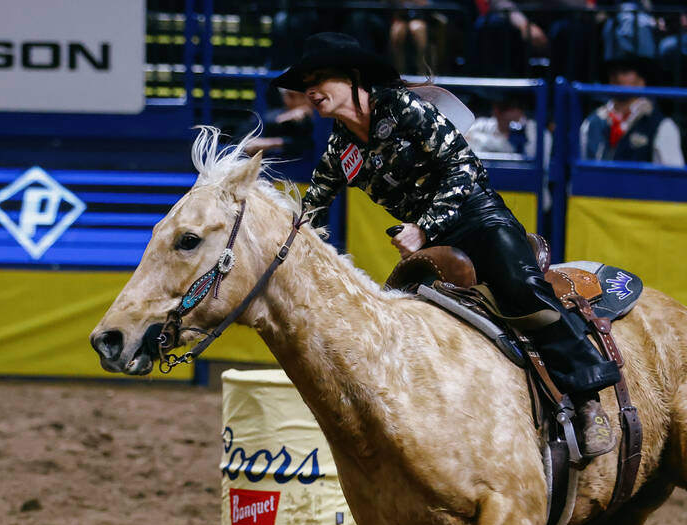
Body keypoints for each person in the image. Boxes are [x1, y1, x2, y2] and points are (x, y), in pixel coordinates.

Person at [271, 32, 620, 458]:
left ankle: (589, 400)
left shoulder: (401, 108)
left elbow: (462, 165)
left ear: (353, 77)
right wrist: (280, 242)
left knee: (520, 287)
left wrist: (423, 226)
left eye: (320, 77)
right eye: (306, 81)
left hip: (478, 218)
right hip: (430, 241)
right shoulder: (339, 147)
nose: (309, 89)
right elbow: (312, 209)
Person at [580, 55, 684, 166]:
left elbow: (672, 178)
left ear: (642, 80)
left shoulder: (661, 126)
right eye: (613, 72)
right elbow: (578, 170)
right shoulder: (592, 123)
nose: (618, 78)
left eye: (625, 72)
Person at [241, 88, 315, 159]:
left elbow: (308, 143)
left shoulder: (322, 121)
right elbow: (245, 135)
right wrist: (284, 118)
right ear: (283, 96)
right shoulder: (272, 115)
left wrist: (271, 143)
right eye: (291, 96)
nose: (297, 101)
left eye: (302, 96)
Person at [463, 92, 538, 159]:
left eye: (510, 106)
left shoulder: (533, 130)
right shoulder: (483, 124)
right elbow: (462, 138)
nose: (497, 110)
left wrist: (482, 140)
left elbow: (531, 157)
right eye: (498, 106)